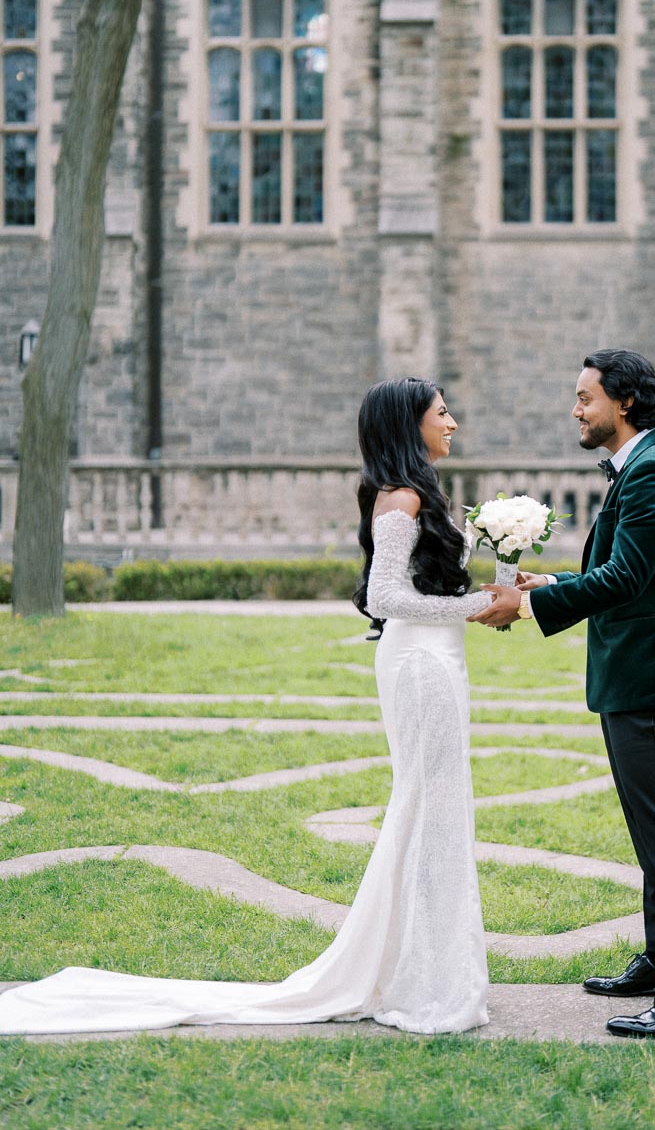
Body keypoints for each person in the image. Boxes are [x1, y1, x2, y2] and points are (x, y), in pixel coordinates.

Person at [0, 378, 491, 1036]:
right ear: (410, 426)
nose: (453, 422)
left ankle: (426, 969)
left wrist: (493, 580)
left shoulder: (419, 494)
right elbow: (384, 598)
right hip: (419, 665)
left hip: (438, 659)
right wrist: (477, 606)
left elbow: (422, 584)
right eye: (441, 414)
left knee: (436, 808)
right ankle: (424, 980)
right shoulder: (399, 497)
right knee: (426, 809)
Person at [476, 349, 655, 1040]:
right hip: (640, 672)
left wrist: (522, 609)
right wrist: (548, 587)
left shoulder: (654, 473)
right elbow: (623, 571)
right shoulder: (647, 467)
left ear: (624, 403)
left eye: (585, 398)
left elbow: (626, 581)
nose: (576, 410)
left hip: (650, 677)